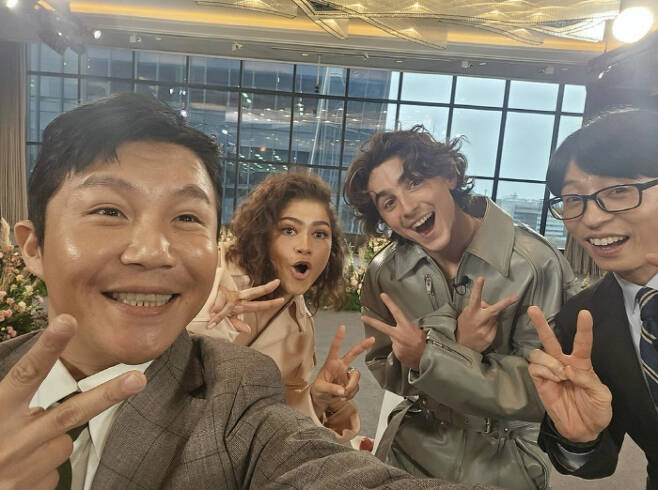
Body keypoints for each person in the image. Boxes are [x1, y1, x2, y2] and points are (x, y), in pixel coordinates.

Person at [0, 93, 497, 490]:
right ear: (34, 246)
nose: (153, 251)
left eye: (186, 217)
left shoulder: (239, 390)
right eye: (109, 211)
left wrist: (319, 398)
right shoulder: (227, 301)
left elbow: (304, 456)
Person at [343, 125, 578, 489]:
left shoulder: (536, 263)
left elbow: (546, 392)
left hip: (505, 463)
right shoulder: (386, 272)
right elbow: (387, 370)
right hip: (408, 452)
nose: (407, 208)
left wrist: (433, 354)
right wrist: (457, 343)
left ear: (449, 175)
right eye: (388, 202)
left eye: (414, 182)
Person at [526, 108, 658, 489]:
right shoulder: (582, 318)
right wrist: (579, 438)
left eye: (618, 191)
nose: (591, 219)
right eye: (573, 199)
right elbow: (598, 461)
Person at [187, 172, 373, 442]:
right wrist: (207, 313)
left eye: (319, 234)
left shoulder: (301, 326)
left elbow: (275, 415)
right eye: (289, 230)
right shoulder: (213, 268)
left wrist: (316, 398)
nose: (305, 247)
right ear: (263, 233)